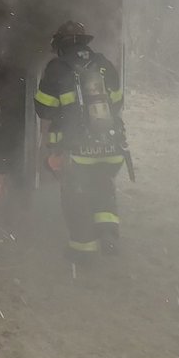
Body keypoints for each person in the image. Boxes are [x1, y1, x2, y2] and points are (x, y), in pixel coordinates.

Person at [34, 20, 128, 261]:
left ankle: (83, 250)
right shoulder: (104, 64)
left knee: (76, 196)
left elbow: (43, 108)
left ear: (61, 45)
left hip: (75, 149)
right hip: (111, 145)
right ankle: (108, 231)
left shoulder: (57, 68)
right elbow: (117, 102)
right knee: (103, 186)